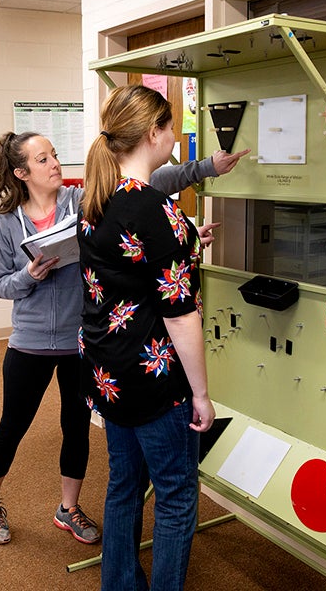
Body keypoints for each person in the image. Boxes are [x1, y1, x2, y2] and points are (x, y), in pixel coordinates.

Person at [0, 130, 246, 547]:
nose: (55, 165)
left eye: (54, 156)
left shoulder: (82, 202)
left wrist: (205, 169)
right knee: (13, 425)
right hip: (30, 342)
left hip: (80, 341)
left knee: (76, 427)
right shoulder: (7, 224)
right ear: (21, 172)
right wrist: (27, 277)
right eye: (44, 160)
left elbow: (150, 185)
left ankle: (67, 508)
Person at [78, 84, 224, 591]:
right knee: (178, 495)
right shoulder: (156, 208)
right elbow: (180, 314)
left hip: (109, 374)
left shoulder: (96, 198)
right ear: (152, 133)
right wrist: (201, 396)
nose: (176, 137)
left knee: (123, 485)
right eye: (172, 127)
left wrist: (185, 241)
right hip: (155, 378)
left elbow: (130, 268)